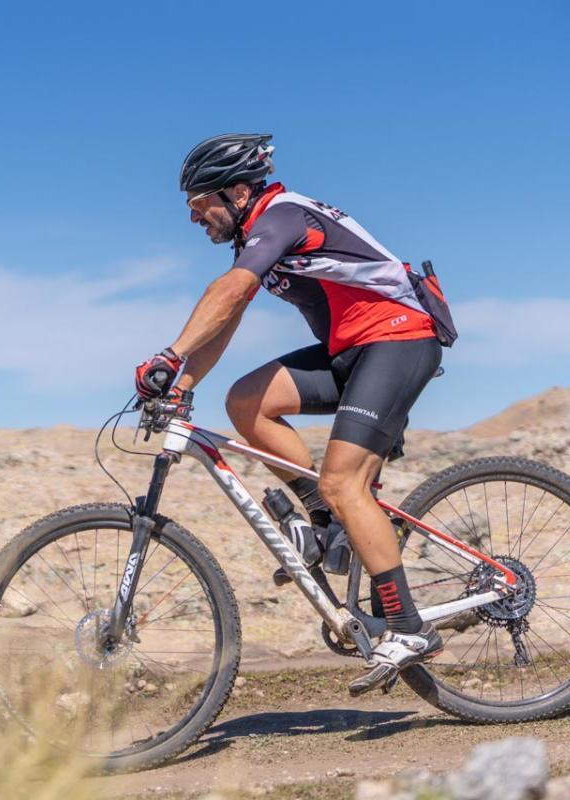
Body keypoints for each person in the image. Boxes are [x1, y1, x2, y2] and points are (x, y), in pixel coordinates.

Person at [133, 133, 446, 696]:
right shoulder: (255, 233)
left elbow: (230, 292)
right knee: (246, 402)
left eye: (198, 203)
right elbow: (226, 320)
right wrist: (182, 386)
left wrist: (169, 355)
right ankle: (325, 522)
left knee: (344, 482)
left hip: (398, 340)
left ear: (235, 191)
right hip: (351, 351)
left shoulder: (282, 215)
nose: (193, 216)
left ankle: (408, 627)